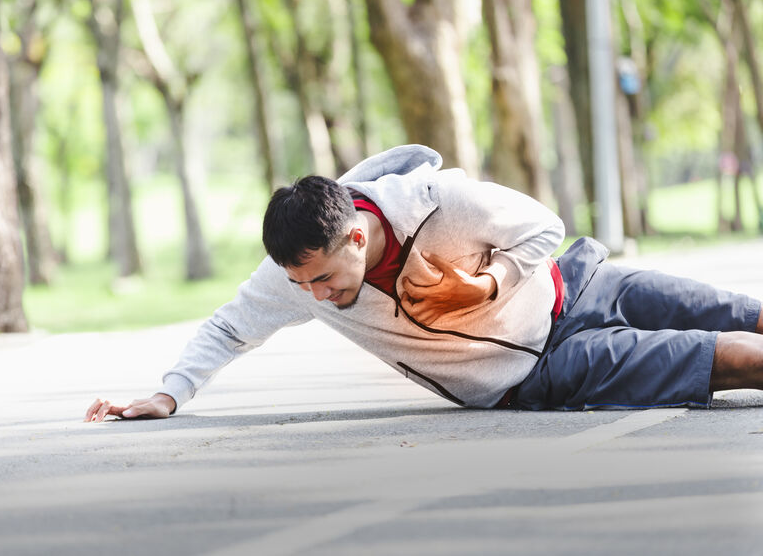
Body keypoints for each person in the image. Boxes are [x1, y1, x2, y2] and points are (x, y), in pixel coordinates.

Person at [85, 144, 763, 422]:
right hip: (540, 370)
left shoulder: (439, 202)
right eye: (300, 284)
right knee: (735, 357)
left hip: (579, 284)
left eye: (322, 279)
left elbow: (544, 226)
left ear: (356, 237)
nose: (313, 295)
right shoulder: (296, 274)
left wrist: (488, 285)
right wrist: (168, 395)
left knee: (744, 312)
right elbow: (228, 327)